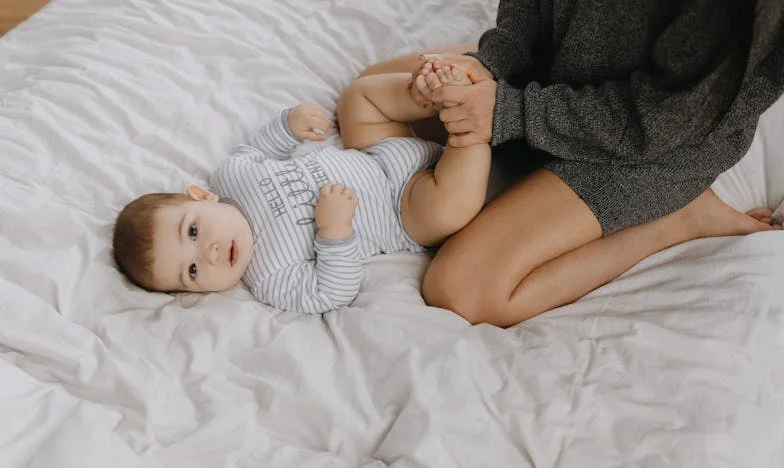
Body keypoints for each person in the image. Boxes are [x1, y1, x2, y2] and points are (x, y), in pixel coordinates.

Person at [355, 0, 784, 327]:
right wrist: (488, 65)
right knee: (374, 85)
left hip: (653, 144)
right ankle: (520, 163)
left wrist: (509, 112)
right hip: (555, 78)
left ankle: (680, 217)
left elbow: (661, 120)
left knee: (461, 290)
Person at [112, 64, 491, 314]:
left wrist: (289, 125)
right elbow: (332, 291)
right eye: (192, 271)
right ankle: (468, 122)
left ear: (201, 196)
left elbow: (257, 148)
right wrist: (334, 233)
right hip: (403, 210)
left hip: (376, 153)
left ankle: (431, 90)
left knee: (358, 97)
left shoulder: (230, 177)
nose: (209, 253)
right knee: (447, 210)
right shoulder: (270, 278)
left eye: (192, 231)